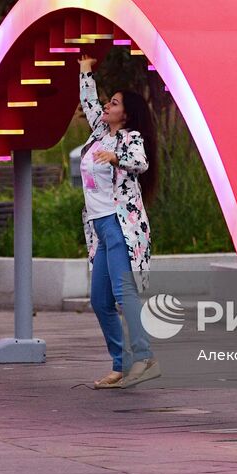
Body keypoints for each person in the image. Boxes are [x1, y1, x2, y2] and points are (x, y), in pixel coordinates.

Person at [77, 53, 160, 389]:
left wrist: (116, 157)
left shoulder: (130, 138)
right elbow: (88, 101)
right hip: (99, 228)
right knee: (100, 301)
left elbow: (140, 163)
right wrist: (85, 70)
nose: (107, 106)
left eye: (113, 103)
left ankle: (145, 356)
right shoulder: (99, 131)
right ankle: (121, 364)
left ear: (126, 113)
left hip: (120, 226)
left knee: (123, 294)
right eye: (108, 102)